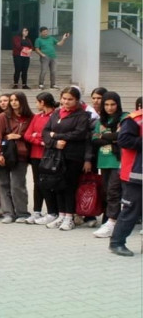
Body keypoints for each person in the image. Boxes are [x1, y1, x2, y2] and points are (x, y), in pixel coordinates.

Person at [42, 87, 91, 231]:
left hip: (72, 156)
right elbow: (45, 131)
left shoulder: (82, 115)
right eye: (64, 98)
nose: (66, 102)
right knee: (57, 185)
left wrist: (55, 136)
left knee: (69, 187)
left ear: (77, 100)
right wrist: (54, 143)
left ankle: (70, 217)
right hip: (55, 155)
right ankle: (61, 215)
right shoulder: (56, 113)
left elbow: (79, 134)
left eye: (70, 99)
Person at [0, 92, 34, 223]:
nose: (13, 102)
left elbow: (33, 134)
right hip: (4, 154)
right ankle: (8, 213)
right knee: (3, 184)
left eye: (16, 100)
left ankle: (22, 212)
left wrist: (20, 137)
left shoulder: (31, 117)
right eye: (11, 100)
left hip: (21, 155)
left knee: (17, 185)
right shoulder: (4, 116)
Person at [92, 92, 128, 238]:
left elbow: (121, 136)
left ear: (118, 104)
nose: (109, 108)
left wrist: (104, 136)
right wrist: (110, 138)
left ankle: (113, 223)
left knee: (114, 191)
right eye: (106, 104)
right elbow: (94, 139)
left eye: (112, 104)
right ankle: (111, 220)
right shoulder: (101, 120)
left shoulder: (124, 118)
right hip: (104, 160)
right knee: (107, 191)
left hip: (118, 161)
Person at [108, 108, 142, 256]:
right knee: (131, 210)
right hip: (135, 174)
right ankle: (117, 243)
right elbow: (123, 140)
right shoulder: (134, 119)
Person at [24, 92, 58, 225]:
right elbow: (27, 135)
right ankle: (37, 211)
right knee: (37, 184)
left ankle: (52, 212)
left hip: (50, 156)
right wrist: (40, 140)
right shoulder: (37, 117)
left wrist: (38, 136)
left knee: (49, 184)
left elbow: (51, 135)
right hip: (36, 155)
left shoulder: (55, 116)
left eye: (37, 102)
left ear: (43, 102)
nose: (36, 104)